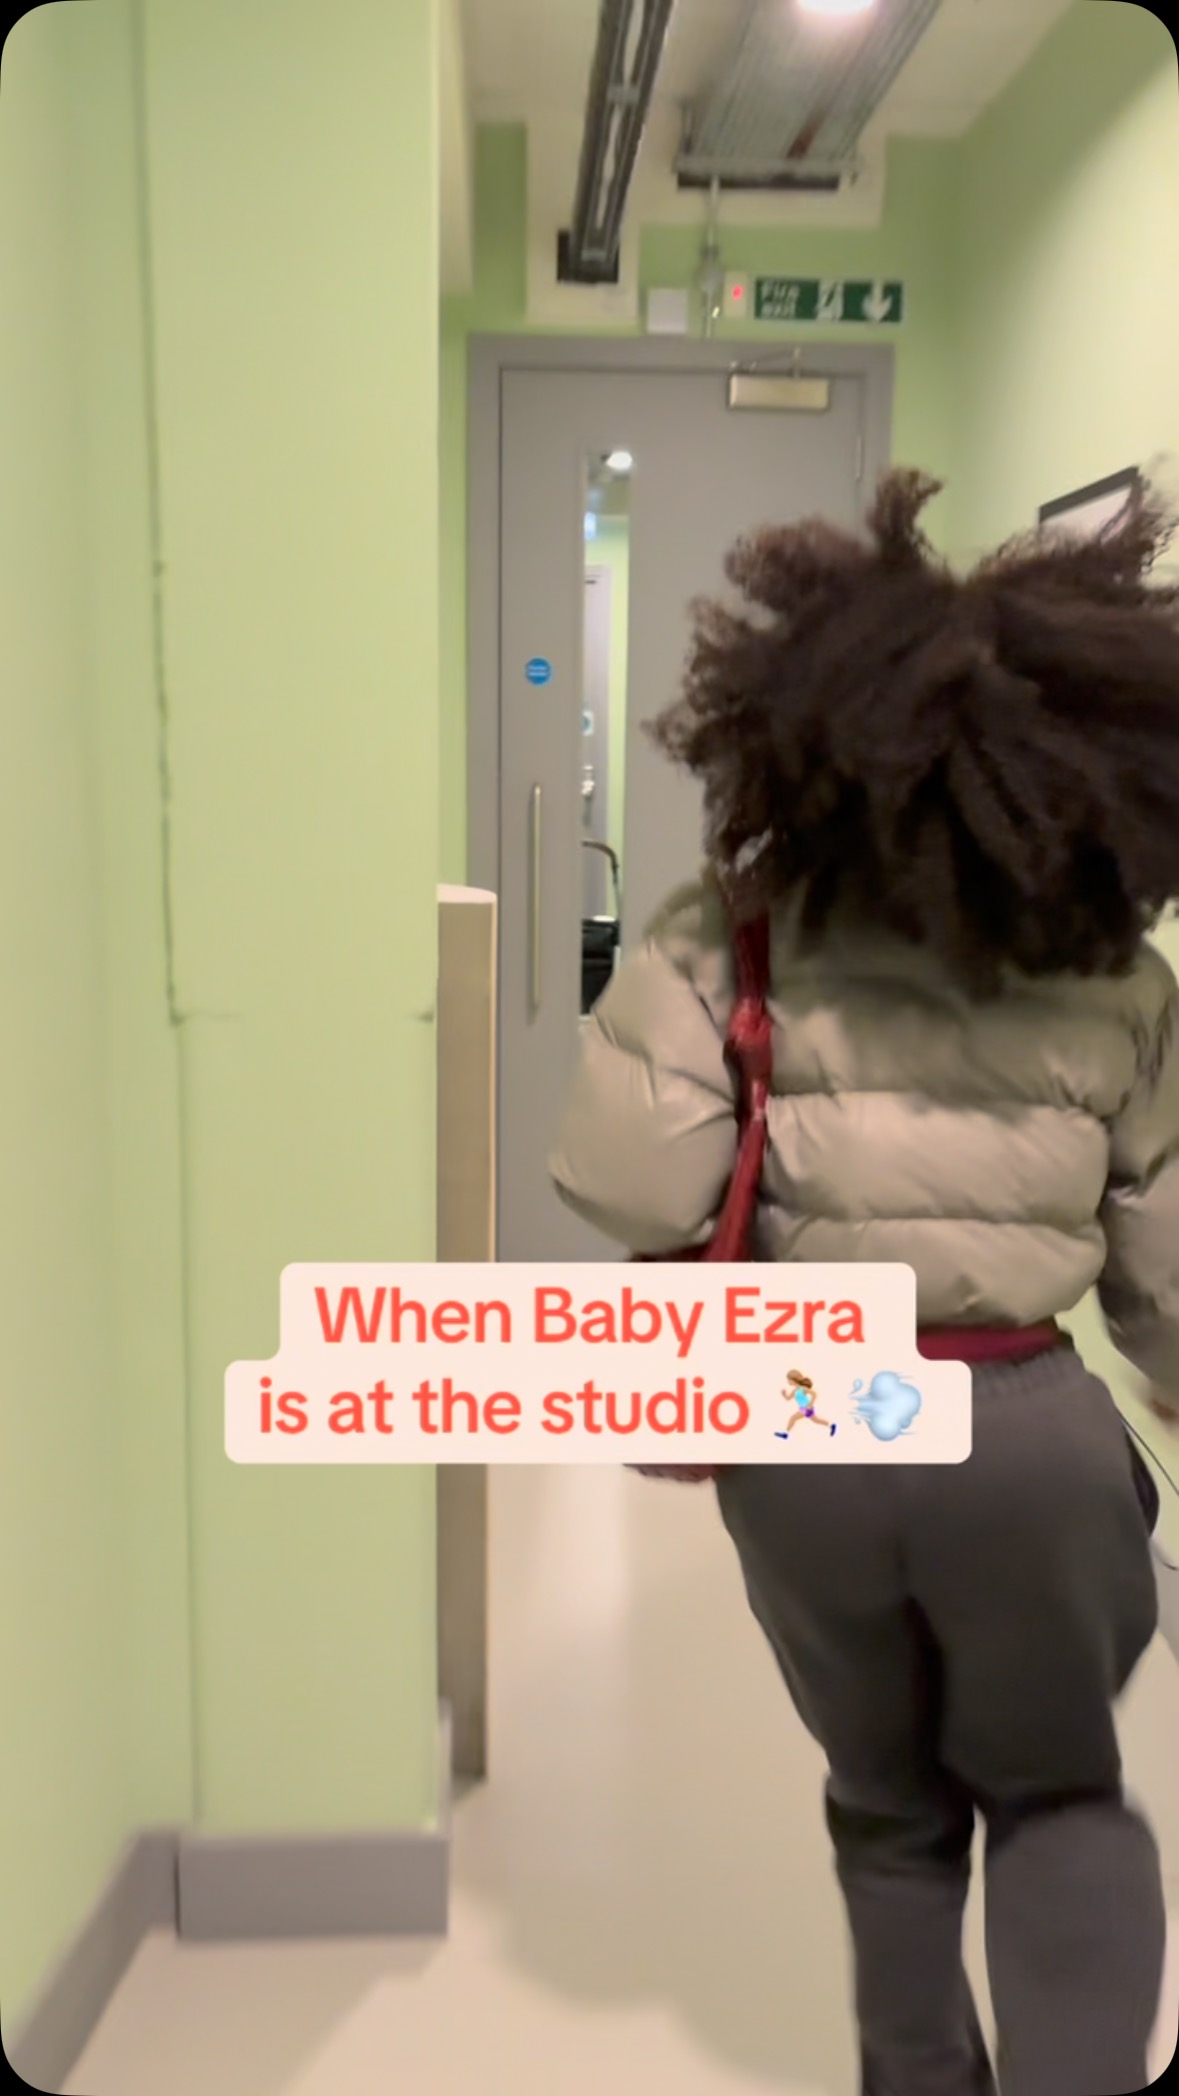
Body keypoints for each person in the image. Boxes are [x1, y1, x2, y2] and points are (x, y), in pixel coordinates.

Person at [549, 469, 1179, 2096]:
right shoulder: (1118, 974)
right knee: (1059, 1796)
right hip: (1029, 1430)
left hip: (810, 1427)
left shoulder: (731, 930)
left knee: (888, 1808)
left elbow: (633, 1184)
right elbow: (1166, 1265)